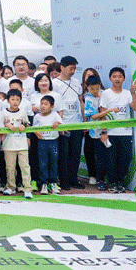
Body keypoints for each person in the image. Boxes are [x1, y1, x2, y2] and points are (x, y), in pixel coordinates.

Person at [96, 67, 136, 193]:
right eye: (114, 76)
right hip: (111, 133)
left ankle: (120, 182)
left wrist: (133, 93)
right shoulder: (106, 93)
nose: (117, 79)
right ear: (110, 78)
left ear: (124, 79)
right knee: (111, 159)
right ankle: (113, 183)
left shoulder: (127, 93)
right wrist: (104, 132)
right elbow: (103, 113)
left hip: (125, 132)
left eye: (120, 76)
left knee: (125, 158)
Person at [52, 56, 83, 189]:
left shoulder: (76, 82)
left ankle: (73, 179)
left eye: (75, 68)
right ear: (62, 67)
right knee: (64, 154)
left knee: (75, 153)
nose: (73, 71)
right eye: (71, 68)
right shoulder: (54, 83)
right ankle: (64, 180)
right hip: (63, 123)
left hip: (77, 122)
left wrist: (84, 119)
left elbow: (80, 100)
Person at [1, 90, 32, 198]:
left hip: (22, 144)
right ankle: (11, 187)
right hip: (9, 145)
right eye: (12, 99)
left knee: (25, 166)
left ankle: (27, 188)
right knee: (10, 168)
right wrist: (7, 125)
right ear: (8, 100)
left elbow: (28, 123)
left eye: (17, 100)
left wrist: (24, 126)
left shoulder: (23, 112)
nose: (15, 102)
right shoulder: (4, 113)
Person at [82, 76, 108, 190]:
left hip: (109, 130)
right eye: (92, 89)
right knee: (99, 156)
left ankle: (107, 179)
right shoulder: (88, 98)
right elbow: (93, 116)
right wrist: (109, 111)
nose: (95, 91)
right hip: (95, 133)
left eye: (97, 88)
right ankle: (99, 179)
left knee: (106, 156)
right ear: (87, 87)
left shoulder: (106, 94)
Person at [33, 96, 63, 194]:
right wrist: (36, 132)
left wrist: (57, 123)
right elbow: (34, 128)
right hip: (42, 142)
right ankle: (44, 184)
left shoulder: (55, 115)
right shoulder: (37, 116)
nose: (43, 106)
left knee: (53, 162)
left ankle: (53, 183)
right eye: (41, 104)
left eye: (46, 104)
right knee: (43, 163)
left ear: (52, 106)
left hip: (53, 141)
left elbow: (61, 124)